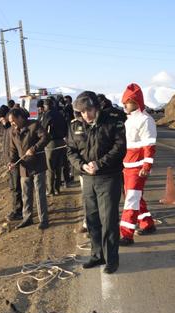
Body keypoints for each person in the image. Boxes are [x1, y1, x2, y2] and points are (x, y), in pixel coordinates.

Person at [67, 91, 126, 274]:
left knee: (108, 220)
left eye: (89, 110)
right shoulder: (75, 126)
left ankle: (111, 259)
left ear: (97, 107)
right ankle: (96, 254)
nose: (86, 115)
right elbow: (71, 150)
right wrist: (82, 166)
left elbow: (120, 147)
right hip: (87, 178)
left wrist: (99, 164)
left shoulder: (112, 121)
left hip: (108, 177)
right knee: (92, 219)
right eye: (82, 111)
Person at [119, 83, 157, 246]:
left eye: (126, 102)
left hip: (137, 168)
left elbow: (149, 146)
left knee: (132, 200)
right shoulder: (129, 120)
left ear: (134, 101)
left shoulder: (145, 120)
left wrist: (146, 167)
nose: (124, 105)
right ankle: (147, 224)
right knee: (133, 197)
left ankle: (126, 235)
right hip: (127, 166)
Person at [7, 107, 50, 230]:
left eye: (13, 121)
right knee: (26, 195)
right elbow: (13, 150)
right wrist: (12, 162)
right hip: (24, 168)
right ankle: (27, 218)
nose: (12, 123)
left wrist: (34, 148)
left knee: (40, 194)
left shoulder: (34, 125)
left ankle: (44, 220)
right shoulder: (12, 131)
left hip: (37, 165)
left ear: (20, 118)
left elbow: (46, 137)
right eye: (10, 122)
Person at [0, 105, 23, 222]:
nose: (0, 120)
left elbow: (13, 148)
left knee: (16, 188)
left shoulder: (12, 130)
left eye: (2, 118)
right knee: (14, 187)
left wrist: (11, 161)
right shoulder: (6, 129)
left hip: (15, 163)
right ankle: (18, 209)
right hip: (10, 163)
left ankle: (18, 211)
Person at [40, 98, 68, 196]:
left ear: (45, 106)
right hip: (62, 142)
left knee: (50, 168)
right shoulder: (60, 114)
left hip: (51, 143)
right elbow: (66, 127)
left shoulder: (47, 115)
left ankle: (51, 190)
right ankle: (57, 189)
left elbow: (42, 129)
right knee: (59, 166)